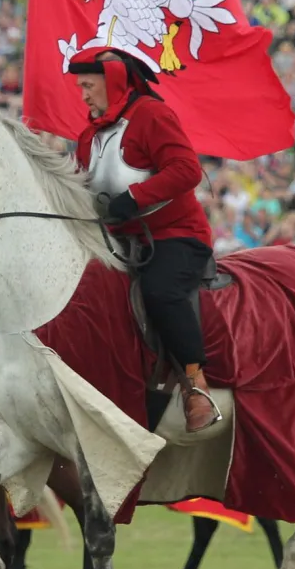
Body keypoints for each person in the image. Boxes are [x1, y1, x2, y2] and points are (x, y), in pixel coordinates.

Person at [66, 47, 219, 433]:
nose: (83, 95)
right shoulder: (88, 135)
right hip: (117, 240)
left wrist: (133, 199)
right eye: (80, 86)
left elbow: (186, 170)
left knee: (159, 291)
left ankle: (195, 384)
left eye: (88, 85)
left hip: (175, 235)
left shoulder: (152, 115)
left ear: (113, 81)